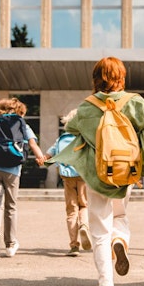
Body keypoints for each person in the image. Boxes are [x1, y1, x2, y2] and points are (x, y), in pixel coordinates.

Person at [46, 57, 144, 286]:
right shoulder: (134, 102)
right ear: (121, 77)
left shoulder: (87, 107)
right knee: (119, 215)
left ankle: (105, 284)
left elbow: (71, 130)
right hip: (126, 171)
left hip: (97, 173)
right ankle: (120, 239)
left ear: (96, 78)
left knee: (99, 227)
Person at [0, 98, 45, 261]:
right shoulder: (23, 125)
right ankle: (10, 245)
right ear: (20, 112)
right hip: (12, 170)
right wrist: (41, 158)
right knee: (11, 207)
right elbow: (32, 145)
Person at [42, 109, 92, 257]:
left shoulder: (61, 139)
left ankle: (74, 245)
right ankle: (84, 225)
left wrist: (42, 159)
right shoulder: (84, 138)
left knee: (71, 211)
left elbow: (48, 155)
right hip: (83, 176)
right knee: (84, 205)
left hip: (67, 177)